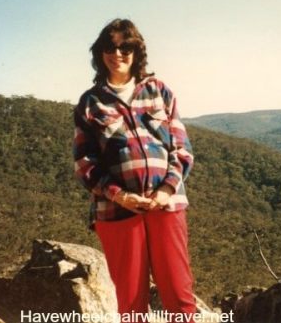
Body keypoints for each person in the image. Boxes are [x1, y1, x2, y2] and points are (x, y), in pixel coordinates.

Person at [73, 18, 196, 321]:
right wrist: (119, 195)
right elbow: (85, 162)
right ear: (100, 53)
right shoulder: (90, 103)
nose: (117, 53)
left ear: (137, 51)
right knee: (130, 301)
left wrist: (167, 189)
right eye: (109, 47)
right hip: (116, 210)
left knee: (179, 293)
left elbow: (181, 149)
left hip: (166, 204)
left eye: (125, 47)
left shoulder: (159, 91)